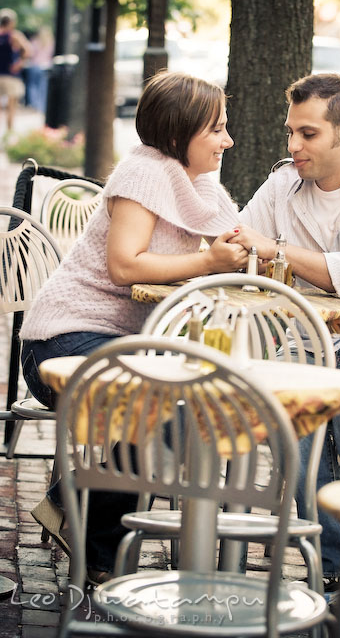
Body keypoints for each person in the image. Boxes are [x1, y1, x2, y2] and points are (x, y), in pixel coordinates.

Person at [20, 70, 248, 584]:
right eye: (216, 129)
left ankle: (77, 514)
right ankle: (102, 544)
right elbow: (125, 265)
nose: (227, 141)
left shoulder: (197, 184)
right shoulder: (145, 172)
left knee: (185, 403)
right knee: (162, 403)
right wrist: (208, 262)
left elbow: (231, 238)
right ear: (177, 132)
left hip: (122, 341)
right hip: (64, 339)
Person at [229, 72, 340, 589]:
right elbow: (242, 240)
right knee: (294, 425)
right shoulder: (284, 181)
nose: (293, 145)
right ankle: (337, 572)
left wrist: (275, 251)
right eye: (291, 132)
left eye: (307, 134)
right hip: (307, 342)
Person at [0, 8, 32, 132]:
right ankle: (9, 132)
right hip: (11, 75)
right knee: (11, 106)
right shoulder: (14, 36)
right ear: (12, 22)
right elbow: (29, 50)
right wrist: (20, 63)